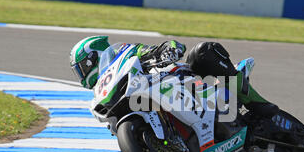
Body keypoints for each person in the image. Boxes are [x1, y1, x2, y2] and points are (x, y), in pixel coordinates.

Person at [69, 36, 278, 117]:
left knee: (202, 52)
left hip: (182, 83)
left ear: (93, 59)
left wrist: (169, 50)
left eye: (81, 69)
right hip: (162, 108)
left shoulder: (127, 53)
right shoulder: (103, 96)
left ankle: (252, 98)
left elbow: (164, 46)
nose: (82, 75)